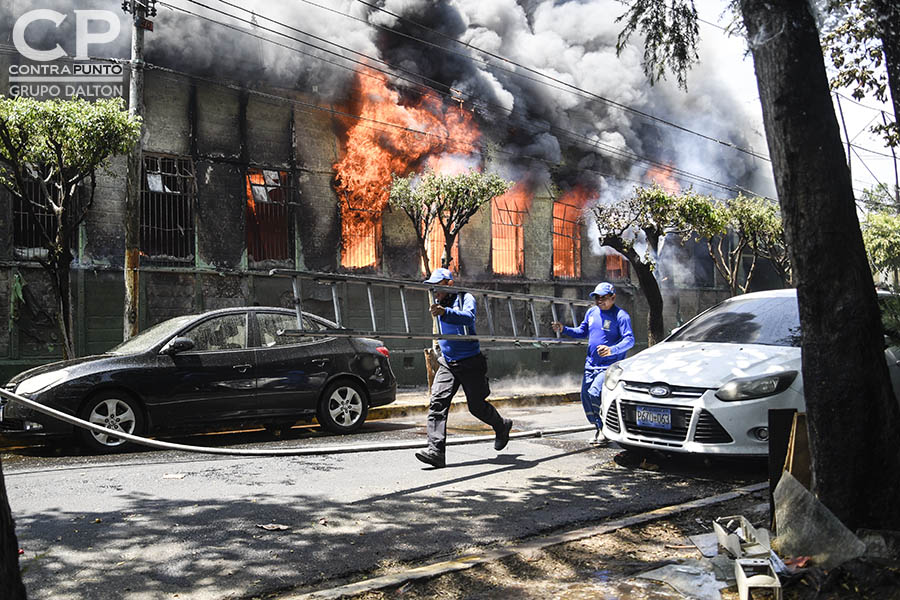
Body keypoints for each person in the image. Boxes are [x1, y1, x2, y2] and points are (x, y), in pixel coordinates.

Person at [414, 268, 513, 468]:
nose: (435, 291)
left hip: (470, 361)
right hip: (448, 363)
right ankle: (436, 452)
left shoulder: (465, 298)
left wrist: (445, 312)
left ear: (450, 284)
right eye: (432, 288)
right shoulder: (437, 303)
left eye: (438, 287)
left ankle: (501, 426)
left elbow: (468, 318)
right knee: (437, 403)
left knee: (476, 407)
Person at [552, 281, 634, 445]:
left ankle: (605, 429)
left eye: (604, 298)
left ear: (613, 297)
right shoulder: (591, 313)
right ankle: (598, 428)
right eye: (597, 298)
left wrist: (612, 350)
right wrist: (564, 329)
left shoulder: (621, 316)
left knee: (595, 393)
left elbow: (629, 340)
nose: (600, 301)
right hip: (590, 365)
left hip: (609, 367)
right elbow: (582, 332)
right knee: (586, 397)